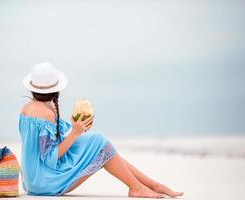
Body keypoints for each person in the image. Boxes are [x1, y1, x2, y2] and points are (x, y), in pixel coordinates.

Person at [19, 62, 184, 198]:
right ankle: (138, 187)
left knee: (99, 144)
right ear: (56, 89)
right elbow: (49, 157)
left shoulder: (27, 109)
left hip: (33, 179)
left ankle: (149, 185)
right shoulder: (47, 113)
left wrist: (75, 128)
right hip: (45, 181)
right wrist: (76, 133)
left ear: (33, 88)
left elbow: (45, 144)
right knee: (98, 141)